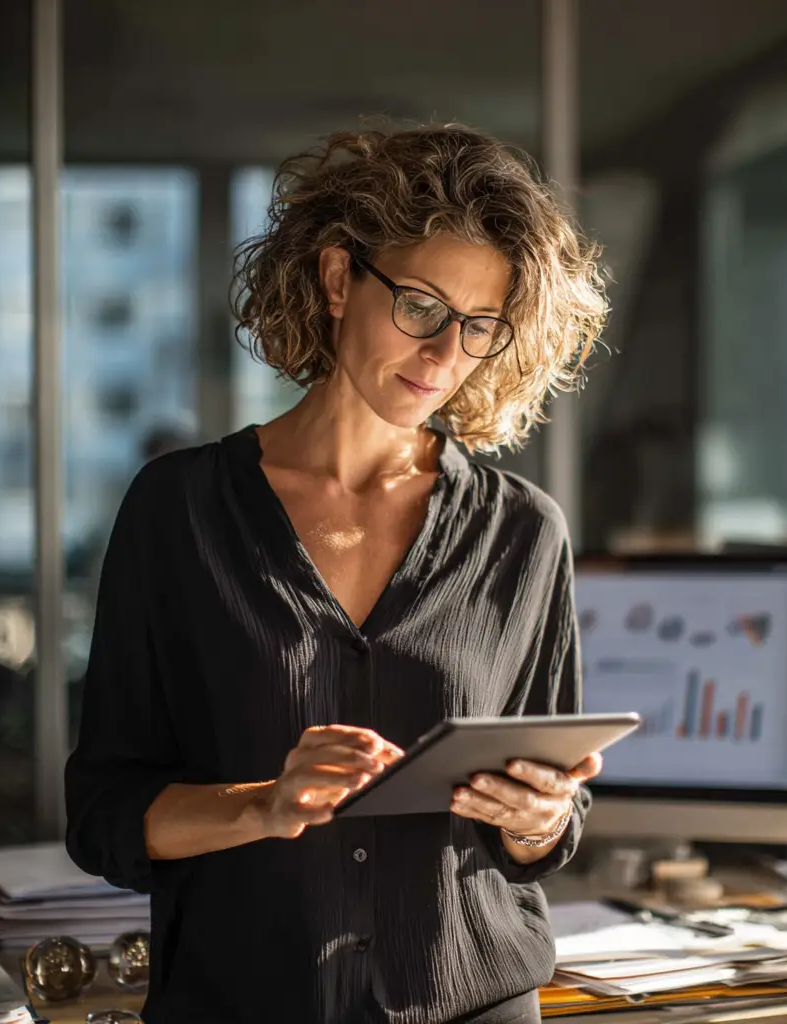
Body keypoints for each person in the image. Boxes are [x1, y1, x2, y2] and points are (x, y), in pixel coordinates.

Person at [64, 124, 609, 1024]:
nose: (443, 356)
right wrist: (261, 806)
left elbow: (551, 823)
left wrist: (539, 818)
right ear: (334, 279)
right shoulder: (179, 511)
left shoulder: (523, 532)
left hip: (474, 1005)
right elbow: (104, 814)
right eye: (422, 307)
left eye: (478, 327)